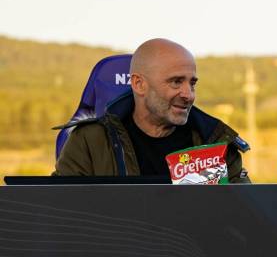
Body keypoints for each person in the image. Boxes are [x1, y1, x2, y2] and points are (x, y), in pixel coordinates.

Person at [54, 38, 250, 182]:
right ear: (139, 84)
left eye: (192, 83)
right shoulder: (90, 142)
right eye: (176, 82)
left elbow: (246, 217)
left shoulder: (216, 142)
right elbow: (61, 216)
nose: (188, 95)